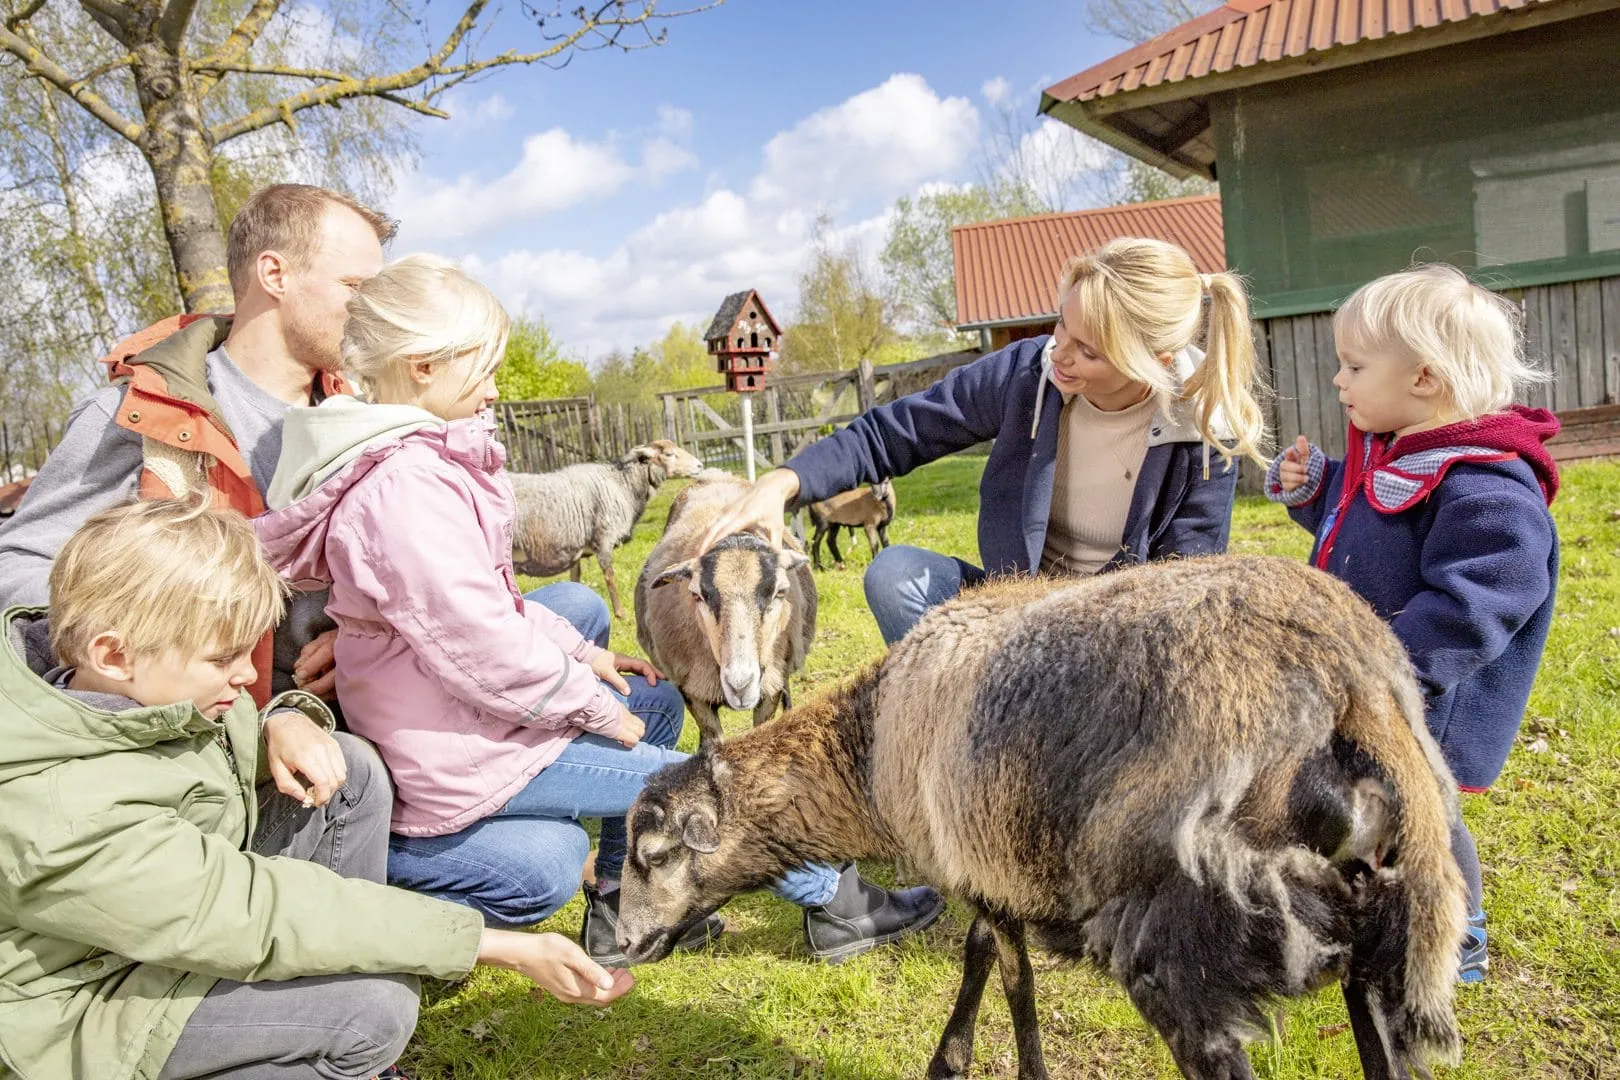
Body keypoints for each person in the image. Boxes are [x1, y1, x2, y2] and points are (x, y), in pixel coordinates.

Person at [253, 254, 944, 963]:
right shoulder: (406, 489)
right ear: (424, 366)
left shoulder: (422, 466)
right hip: (464, 750)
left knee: (651, 703)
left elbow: (491, 603)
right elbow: (480, 646)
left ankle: (622, 910)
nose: (495, 384)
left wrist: (587, 654)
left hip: (462, 721)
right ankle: (839, 906)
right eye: (483, 364)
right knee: (702, 785)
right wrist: (584, 702)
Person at [0, 499, 633, 1080]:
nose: (247, 674)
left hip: (158, 939)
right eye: (222, 660)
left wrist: (288, 716)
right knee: (373, 1008)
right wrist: (492, 946)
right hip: (85, 1014)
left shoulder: (123, 694)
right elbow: (256, 908)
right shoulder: (60, 813)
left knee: (348, 767)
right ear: (114, 653)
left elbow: (227, 747)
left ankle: (329, 988)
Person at [700, 237, 1271, 644]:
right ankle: (960, 733)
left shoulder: (1203, 433)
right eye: (1061, 326)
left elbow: (1181, 597)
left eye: (1089, 350)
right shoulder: (1029, 373)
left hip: (1117, 636)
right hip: (1011, 611)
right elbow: (893, 433)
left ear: (1155, 361)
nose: (1060, 353)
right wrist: (783, 482)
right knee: (894, 574)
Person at [1266, 263, 1560, 984]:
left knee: (1430, 817)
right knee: (1373, 801)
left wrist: (1393, 672)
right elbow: (1366, 516)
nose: (1339, 380)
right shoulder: (1405, 454)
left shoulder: (1487, 488)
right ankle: (1367, 900)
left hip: (1430, 695)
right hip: (1373, 685)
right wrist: (1316, 488)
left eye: (1355, 365)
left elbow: (1482, 599)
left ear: (1423, 378)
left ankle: (1459, 933)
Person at [0, 183, 391, 706]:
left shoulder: (367, 418)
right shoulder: (137, 413)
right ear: (274, 274)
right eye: (354, 287)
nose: (373, 312)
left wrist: (361, 636)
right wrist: (163, 624)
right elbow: (18, 568)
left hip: (370, 698)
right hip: (221, 733)